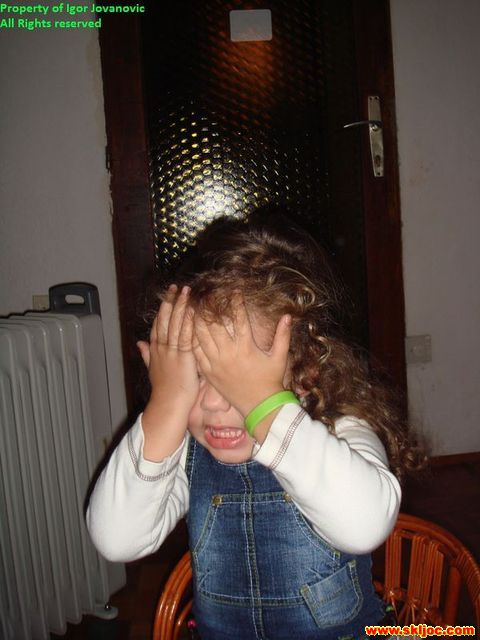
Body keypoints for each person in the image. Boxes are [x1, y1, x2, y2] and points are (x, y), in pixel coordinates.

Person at [87, 214, 423, 640]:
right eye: (195, 377)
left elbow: (364, 527)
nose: (213, 403)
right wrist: (166, 406)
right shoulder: (190, 453)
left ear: (305, 370)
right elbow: (117, 539)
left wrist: (265, 407)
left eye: (239, 381)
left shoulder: (339, 429)